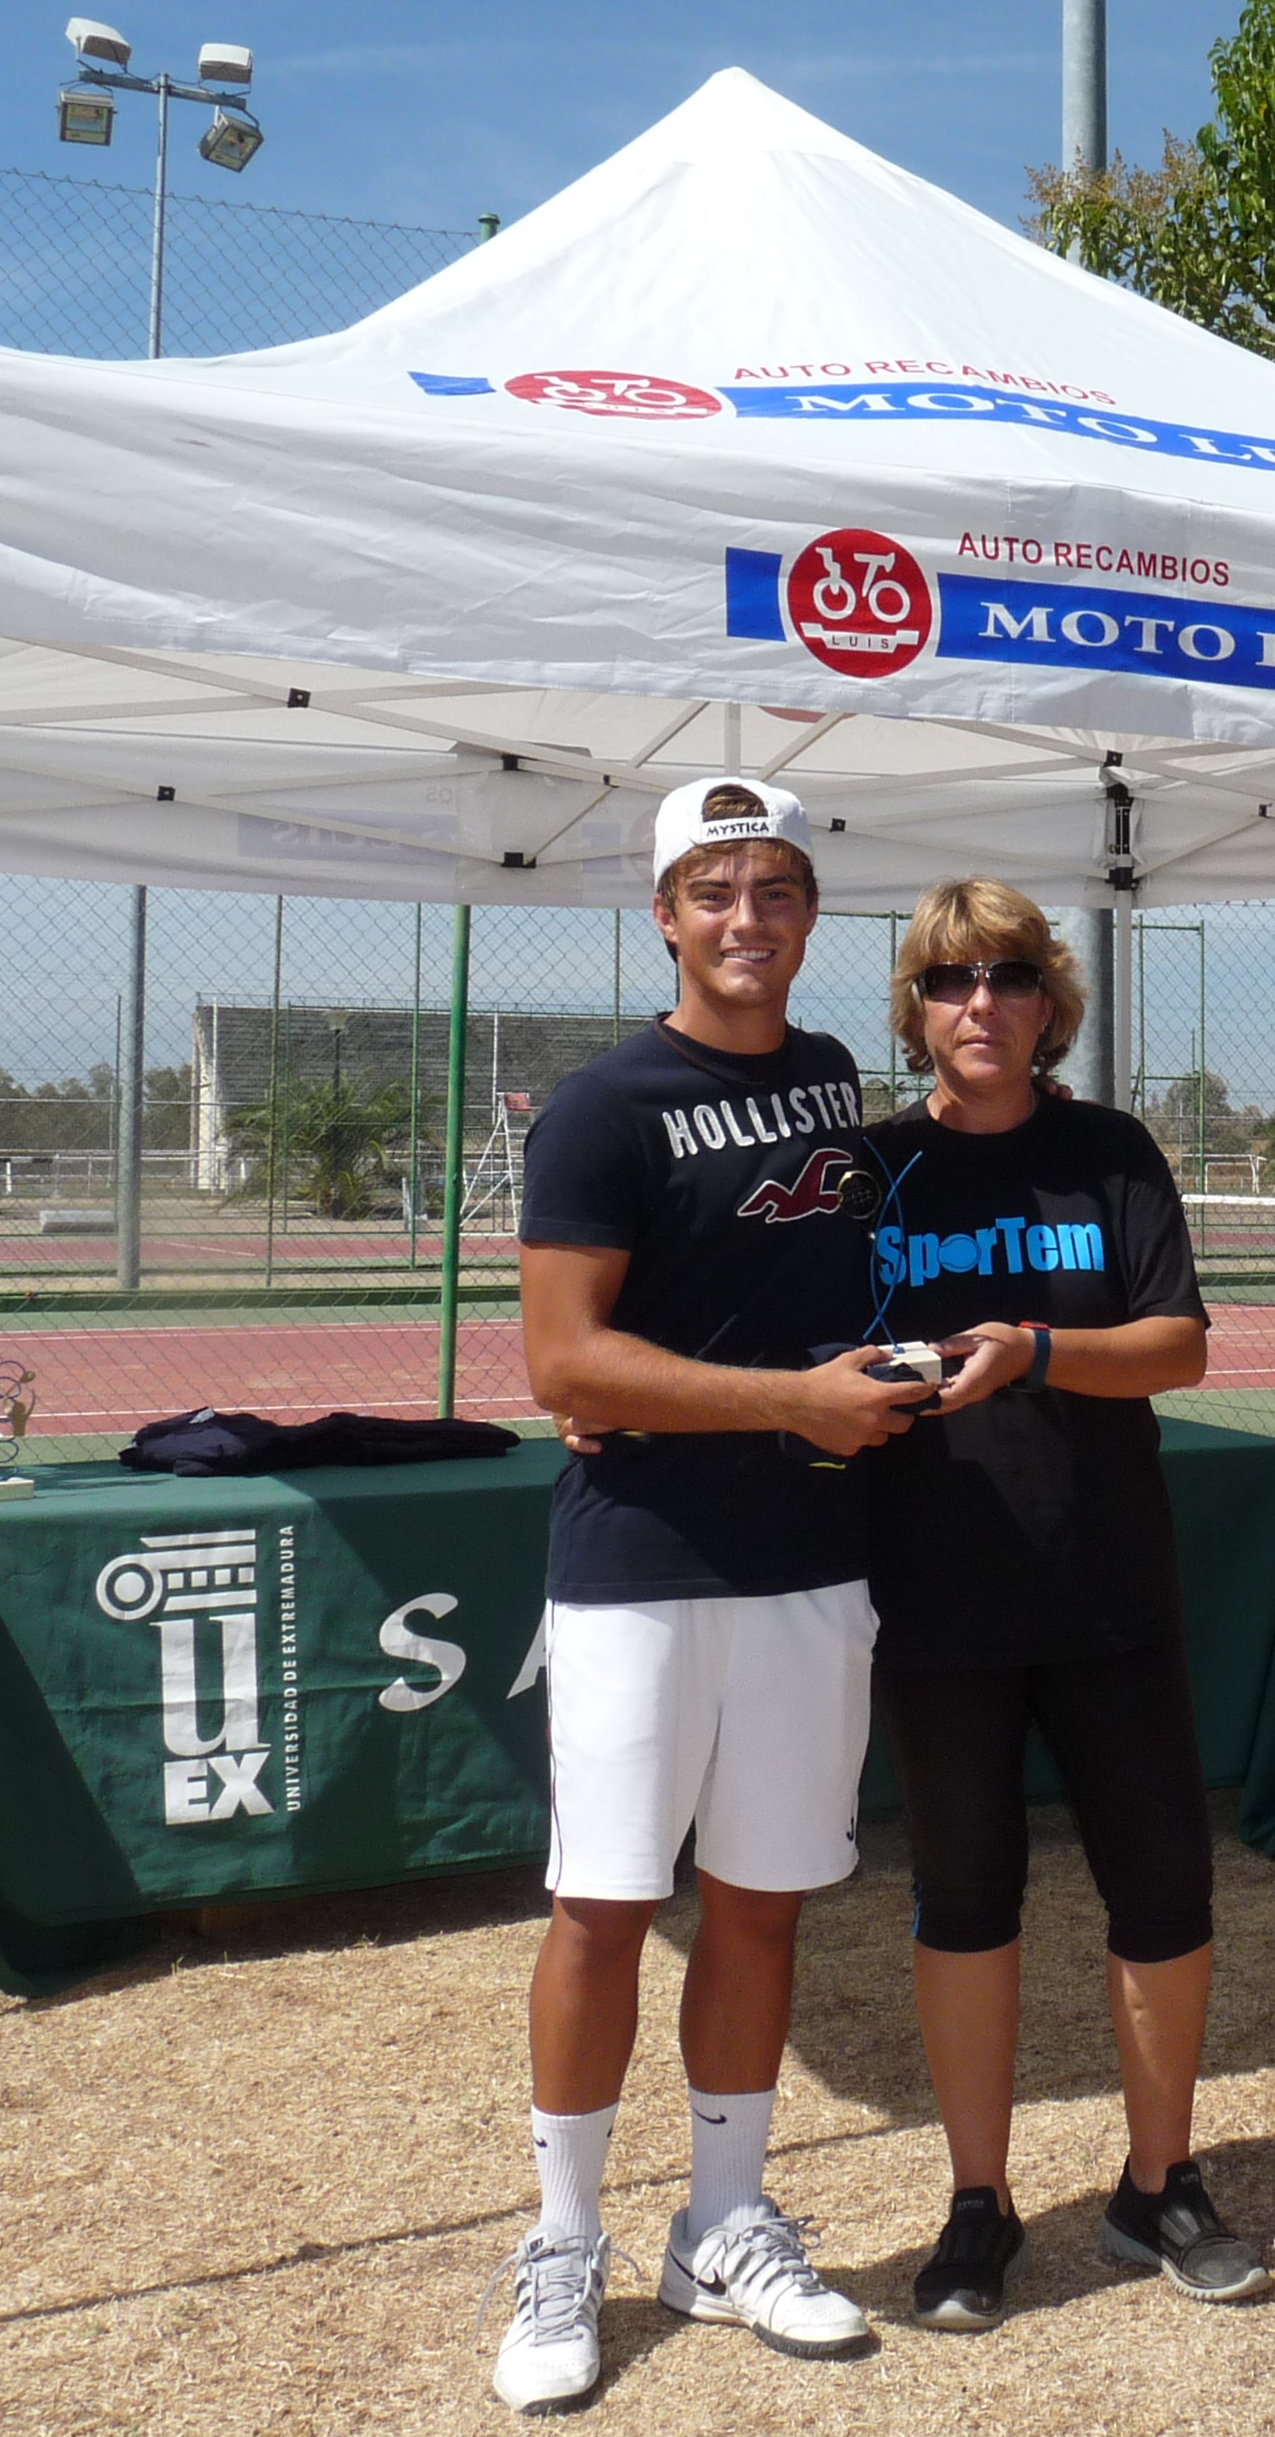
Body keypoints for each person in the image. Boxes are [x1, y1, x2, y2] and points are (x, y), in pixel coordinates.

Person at [493, 775, 937, 2415]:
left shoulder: (828, 1082)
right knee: (605, 1903)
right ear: (664, 916)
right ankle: (562, 2242)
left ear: (810, 913)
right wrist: (785, 1403)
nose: (747, 919)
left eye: (776, 889)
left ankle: (724, 2220)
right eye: (716, 890)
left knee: (760, 1899)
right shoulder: (603, 1107)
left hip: (812, 1564)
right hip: (638, 1565)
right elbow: (562, 1361)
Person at [855, 877, 1266, 2328]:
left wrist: (1034, 1350)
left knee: (1161, 1887)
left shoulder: (1109, 1153)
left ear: (1050, 1003)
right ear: (915, 1008)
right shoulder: (870, 1171)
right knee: (966, 1899)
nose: (981, 1004)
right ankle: (979, 2203)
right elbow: (775, 1340)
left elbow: (1177, 1347)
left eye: (1009, 978)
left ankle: (1160, 2187)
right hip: (934, 1599)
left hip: (1107, 1587)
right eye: (950, 980)